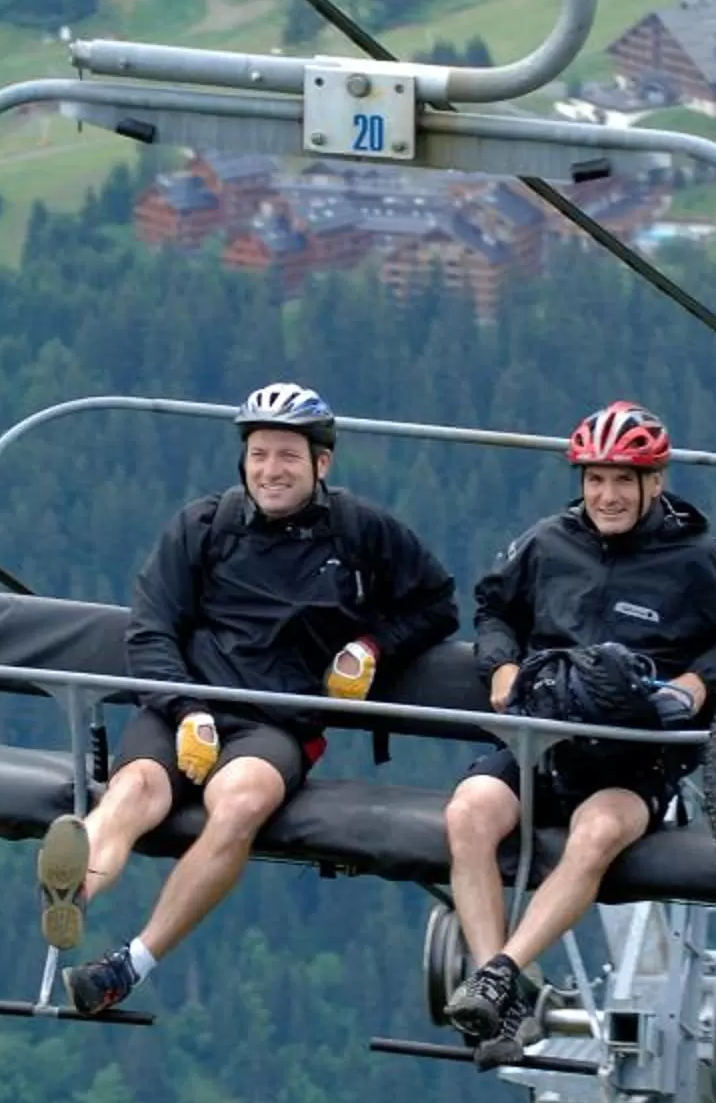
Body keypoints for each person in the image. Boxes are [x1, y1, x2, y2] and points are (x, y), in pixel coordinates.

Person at [45, 382, 458, 1015]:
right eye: (259, 454)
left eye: (288, 455)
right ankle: (71, 895)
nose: (271, 470)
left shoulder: (359, 532)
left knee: (238, 804)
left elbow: (436, 605)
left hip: (277, 723)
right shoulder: (205, 527)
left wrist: (373, 647)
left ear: (322, 464)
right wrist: (186, 711)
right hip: (188, 702)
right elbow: (151, 628)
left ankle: (129, 964)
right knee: (133, 793)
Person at [443, 399, 716, 1059]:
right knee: (469, 813)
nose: (607, 495)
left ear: (656, 482)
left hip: (634, 757)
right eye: (595, 479)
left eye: (624, 479)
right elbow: (493, 610)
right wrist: (502, 667)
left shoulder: (698, 558)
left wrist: (695, 684)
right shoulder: (548, 542)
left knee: (595, 834)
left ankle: (499, 977)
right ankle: (501, 987)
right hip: (544, 738)